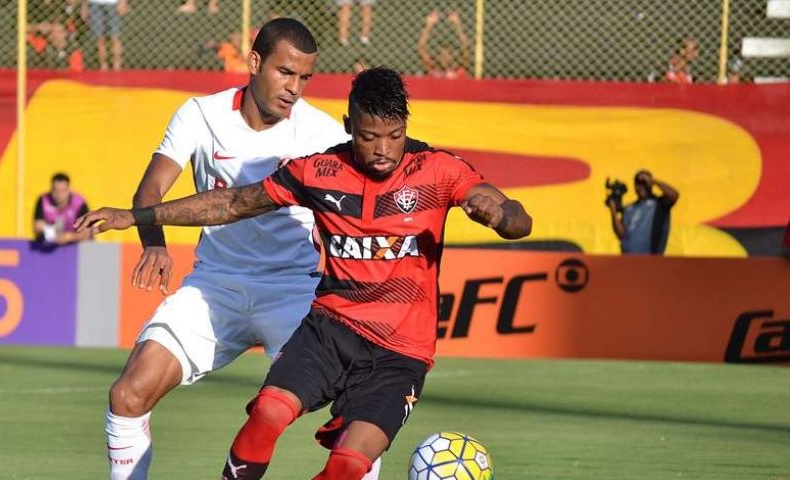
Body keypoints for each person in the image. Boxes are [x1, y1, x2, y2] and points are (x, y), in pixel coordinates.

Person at [75, 66, 532, 480]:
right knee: (268, 413)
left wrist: (500, 216)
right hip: (330, 331)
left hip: (401, 353)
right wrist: (139, 217)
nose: (383, 150)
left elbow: (513, 215)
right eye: (370, 136)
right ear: (350, 126)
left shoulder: (438, 170)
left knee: (348, 465)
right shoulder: (319, 171)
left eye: (394, 135)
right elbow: (232, 203)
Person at [93, 18, 385, 480]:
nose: (294, 88)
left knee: (358, 413)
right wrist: (155, 245)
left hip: (296, 291)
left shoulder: (322, 134)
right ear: (254, 62)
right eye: (285, 72)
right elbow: (150, 188)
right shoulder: (200, 115)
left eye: (305, 78)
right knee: (128, 394)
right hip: (216, 286)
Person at [607, 170, 678, 255]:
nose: (641, 186)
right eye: (638, 183)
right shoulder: (629, 208)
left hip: (650, 259)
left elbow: (674, 195)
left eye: (644, 183)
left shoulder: (659, 204)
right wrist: (613, 210)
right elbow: (621, 234)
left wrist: (652, 181)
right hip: (627, 259)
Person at [33, 172, 92, 244]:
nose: (59, 195)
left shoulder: (79, 203)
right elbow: (38, 228)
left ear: (68, 190)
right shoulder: (43, 200)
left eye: (62, 191)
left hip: (76, 245)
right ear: (51, 189)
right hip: (50, 244)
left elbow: (86, 234)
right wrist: (53, 235)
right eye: (56, 190)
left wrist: (67, 237)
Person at [418, 10, 469, 79]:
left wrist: (457, 24)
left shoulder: (458, 71)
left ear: (452, 57)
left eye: (448, 54)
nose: (445, 57)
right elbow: (421, 47)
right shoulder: (433, 70)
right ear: (438, 57)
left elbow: (466, 46)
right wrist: (429, 24)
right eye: (442, 54)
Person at [82, 0, 127, 71]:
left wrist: (122, 1)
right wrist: (84, 6)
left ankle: (117, 67)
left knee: (115, 38)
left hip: (113, 3)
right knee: (100, 38)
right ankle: (103, 67)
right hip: (95, 3)